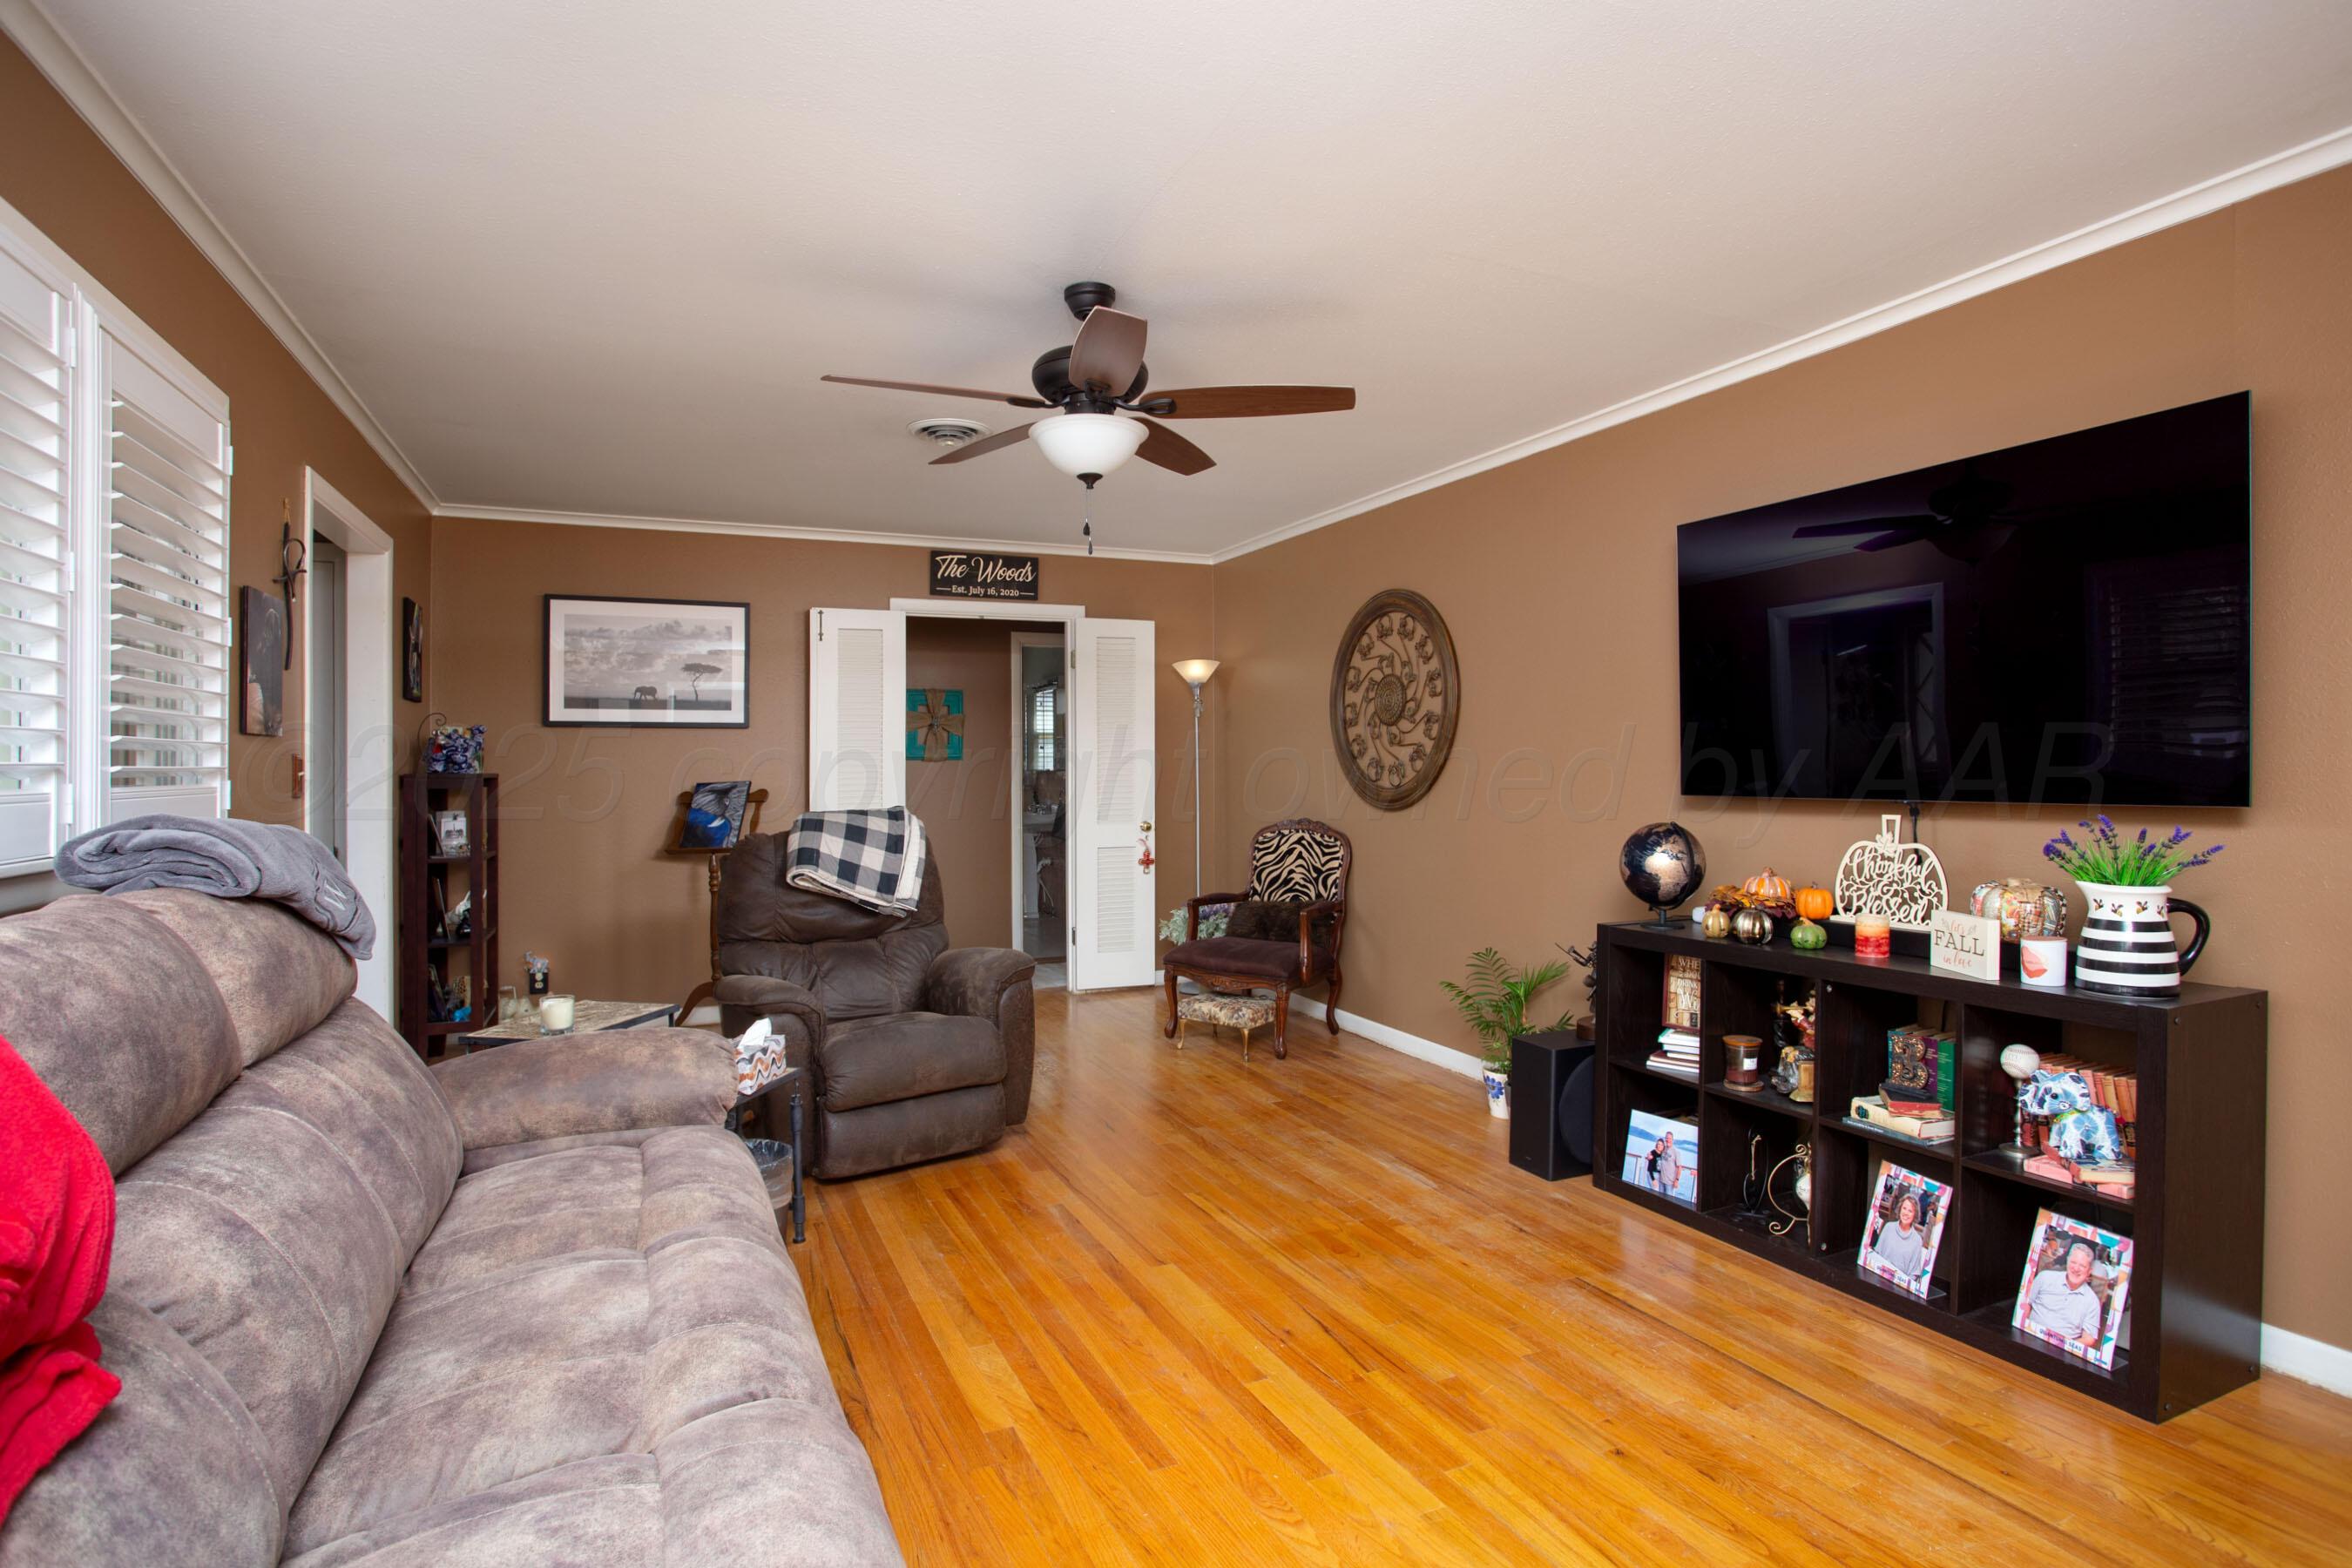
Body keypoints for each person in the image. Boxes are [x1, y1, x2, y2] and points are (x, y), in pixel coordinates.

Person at [2019, 1235, 2105, 1348]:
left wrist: (2063, 1346)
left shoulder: (2092, 1302)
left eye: (2082, 1266)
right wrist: (2022, 1329)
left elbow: (2089, 1338)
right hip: (2028, 1339)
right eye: (2073, 1262)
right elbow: (2025, 1304)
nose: (2076, 1268)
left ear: (2089, 1271)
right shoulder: (2044, 1277)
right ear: (2068, 1262)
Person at [1869, 1188, 1931, 1282]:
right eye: (1904, 1208)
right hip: (1878, 1279)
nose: (1906, 1213)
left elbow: (1914, 1274)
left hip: (1900, 1286)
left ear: (1915, 1215)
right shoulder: (1888, 1227)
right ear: (1900, 1209)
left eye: (1910, 1211)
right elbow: (1877, 1255)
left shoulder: (1917, 1240)